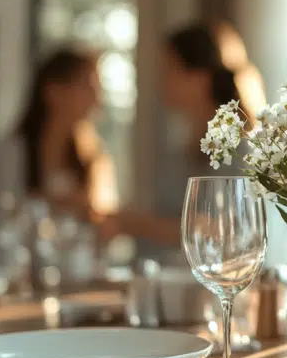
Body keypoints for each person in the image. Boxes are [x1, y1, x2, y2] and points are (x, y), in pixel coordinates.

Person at [105, 21, 264, 244]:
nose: (161, 82)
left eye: (170, 70)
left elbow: (227, 235)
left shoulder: (241, 153)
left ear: (201, 77)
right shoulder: (183, 149)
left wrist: (134, 224)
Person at [17, 48, 118, 219]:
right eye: (87, 86)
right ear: (52, 90)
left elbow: (106, 221)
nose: (96, 98)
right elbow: (1, 216)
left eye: (97, 88)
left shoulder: (94, 157)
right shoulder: (14, 152)